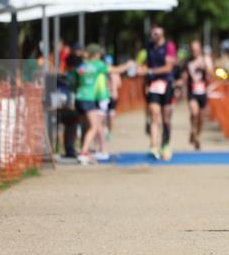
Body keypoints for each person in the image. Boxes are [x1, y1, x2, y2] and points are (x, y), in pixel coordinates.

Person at [75, 44, 132, 164]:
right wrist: (128, 65)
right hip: (89, 98)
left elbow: (76, 77)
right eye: (99, 54)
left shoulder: (82, 66)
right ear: (96, 55)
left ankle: (84, 150)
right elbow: (116, 70)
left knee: (87, 126)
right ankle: (84, 152)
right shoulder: (99, 65)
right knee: (94, 126)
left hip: (79, 97)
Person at [137, 25, 177, 160]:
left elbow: (168, 67)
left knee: (166, 118)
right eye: (152, 32)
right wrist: (140, 68)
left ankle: (165, 144)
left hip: (167, 84)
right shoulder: (148, 47)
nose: (154, 34)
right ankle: (153, 146)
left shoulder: (169, 46)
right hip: (153, 85)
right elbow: (141, 63)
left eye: (157, 32)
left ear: (162, 33)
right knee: (154, 115)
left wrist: (150, 71)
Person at [185, 40, 214, 150]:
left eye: (196, 49)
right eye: (193, 50)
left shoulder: (206, 59)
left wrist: (205, 67)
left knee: (201, 117)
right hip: (192, 91)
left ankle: (197, 135)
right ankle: (193, 130)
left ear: (200, 49)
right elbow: (185, 76)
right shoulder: (188, 61)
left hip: (202, 91)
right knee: (194, 112)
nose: (195, 51)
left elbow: (211, 74)